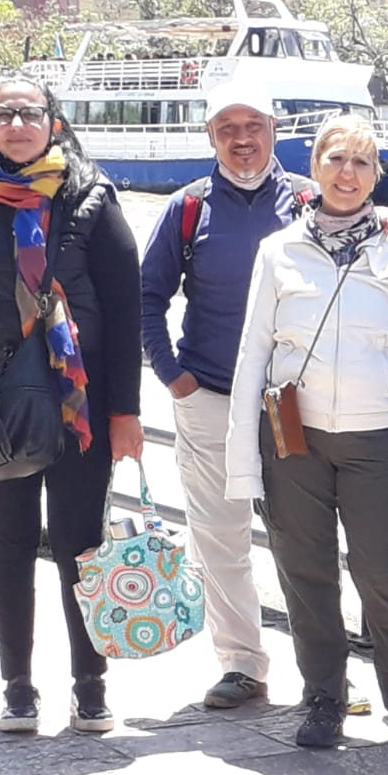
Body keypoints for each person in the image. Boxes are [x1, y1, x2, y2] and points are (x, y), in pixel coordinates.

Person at [0, 71, 142, 734]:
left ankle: (90, 685)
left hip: (77, 403)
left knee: (80, 544)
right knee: (9, 543)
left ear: (53, 122)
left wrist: (125, 413)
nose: (18, 124)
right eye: (4, 113)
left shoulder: (90, 197)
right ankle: (17, 687)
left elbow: (125, 312)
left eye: (30, 113)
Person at [226, 116, 388, 753]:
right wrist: (243, 464)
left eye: (361, 162)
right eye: (335, 159)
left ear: (377, 175)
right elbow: (253, 355)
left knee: (384, 572)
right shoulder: (278, 251)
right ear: (315, 167)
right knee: (306, 573)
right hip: (293, 439)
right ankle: (324, 696)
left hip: (379, 436)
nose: (347, 173)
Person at [139, 84, 310, 711]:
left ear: (274, 127)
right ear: (210, 136)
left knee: (304, 537)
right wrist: (172, 376)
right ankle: (241, 663)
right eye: (227, 128)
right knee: (218, 537)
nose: (242, 139)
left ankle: (322, 670)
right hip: (209, 395)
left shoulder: (311, 202)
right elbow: (147, 295)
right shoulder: (187, 208)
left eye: (253, 125)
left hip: (293, 403)